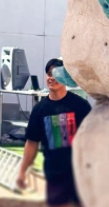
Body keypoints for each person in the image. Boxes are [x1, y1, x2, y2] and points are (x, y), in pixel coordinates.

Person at [15, 59, 91, 206]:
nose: (52, 78)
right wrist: (22, 171)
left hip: (80, 175)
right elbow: (31, 142)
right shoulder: (39, 110)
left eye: (57, 74)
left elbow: (93, 140)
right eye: (49, 74)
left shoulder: (80, 106)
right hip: (54, 175)